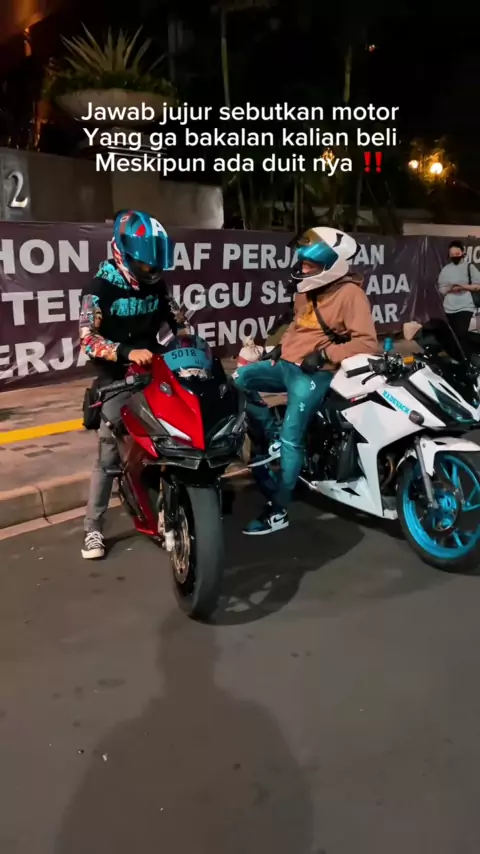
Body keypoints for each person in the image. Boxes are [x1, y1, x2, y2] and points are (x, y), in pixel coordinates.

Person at [233, 226, 379, 535]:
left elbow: (367, 343)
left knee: (291, 437)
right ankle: (270, 435)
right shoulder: (305, 291)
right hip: (286, 364)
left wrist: (326, 355)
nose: (301, 268)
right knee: (239, 379)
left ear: (330, 266)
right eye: (302, 262)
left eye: (309, 265)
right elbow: (297, 326)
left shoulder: (350, 295)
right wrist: (278, 348)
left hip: (314, 374)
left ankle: (279, 510)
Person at [80, 209, 187, 560]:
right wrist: (127, 352)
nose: (150, 268)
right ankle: (93, 529)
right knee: (108, 454)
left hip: (155, 370)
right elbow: (88, 339)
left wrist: (184, 341)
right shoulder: (99, 288)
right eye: (144, 262)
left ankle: (173, 505)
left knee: (178, 433)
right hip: (116, 377)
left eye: (155, 261)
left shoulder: (157, 283)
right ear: (122, 253)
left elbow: (175, 321)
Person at [437, 240, 480, 356]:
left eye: (457, 254)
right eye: (452, 255)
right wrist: (449, 289)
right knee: (453, 336)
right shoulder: (446, 270)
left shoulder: (469, 267)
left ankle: (467, 357)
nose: (455, 256)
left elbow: (478, 286)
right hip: (449, 307)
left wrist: (463, 287)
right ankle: (456, 358)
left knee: (462, 334)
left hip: (466, 306)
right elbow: (441, 289)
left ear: (462, 253)